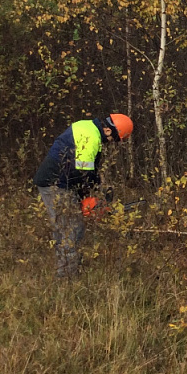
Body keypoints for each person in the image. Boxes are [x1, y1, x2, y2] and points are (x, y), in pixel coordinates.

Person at [33, 113, 133, 278]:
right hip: (55, 183)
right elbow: (83, 173)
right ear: (108, 131)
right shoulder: (92, 138)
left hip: (60, 181)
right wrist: (89, 197)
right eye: (113, 139)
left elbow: (84, 169)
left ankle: (67, 268)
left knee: (67, 227)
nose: (111, 144)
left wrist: (95, 189)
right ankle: (67, 276)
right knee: (71, 229)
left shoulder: (88, 127)